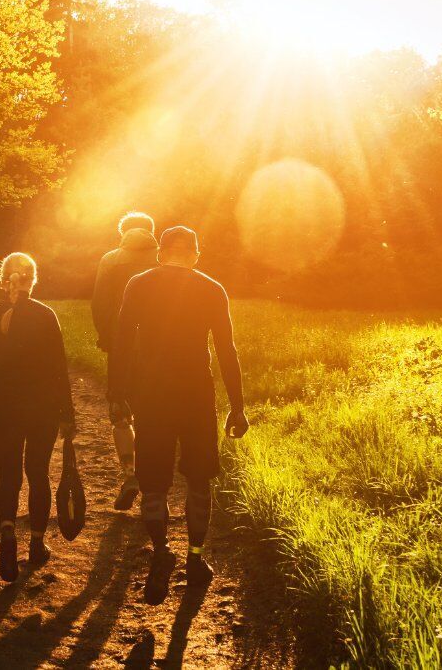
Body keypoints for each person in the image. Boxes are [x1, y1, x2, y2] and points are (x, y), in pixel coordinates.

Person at [108, 226, 249, 606]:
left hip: (151, 396)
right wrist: (237, 405)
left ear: (161, 253)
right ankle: (196, 559)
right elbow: (226, 349)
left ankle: (160, 551)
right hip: (196, 396)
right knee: (199, 481)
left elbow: (121, 341)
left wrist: (116, 394)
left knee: (153, 484)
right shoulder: (211, 288)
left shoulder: (139, 284)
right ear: (196, 255)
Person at [0, 252, 75, 583]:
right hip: (42, 409)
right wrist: (67, 413)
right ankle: (37, 543)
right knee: (38, 473)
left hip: (5, 408)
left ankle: (7, 534)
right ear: (32, 279)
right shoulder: (46, 315)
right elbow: (60, 369)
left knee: (8, 476)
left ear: (4, 281)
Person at [91, 211, 159, 511]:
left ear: (123, 232)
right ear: (151, 231)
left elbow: (100, 303)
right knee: (152, 415)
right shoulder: (164, 258)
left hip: (122, 347)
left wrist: (107, 337)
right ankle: (153, 481)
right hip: (159, 351)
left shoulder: (110, 259)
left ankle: (130, 475)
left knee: (120, 412)